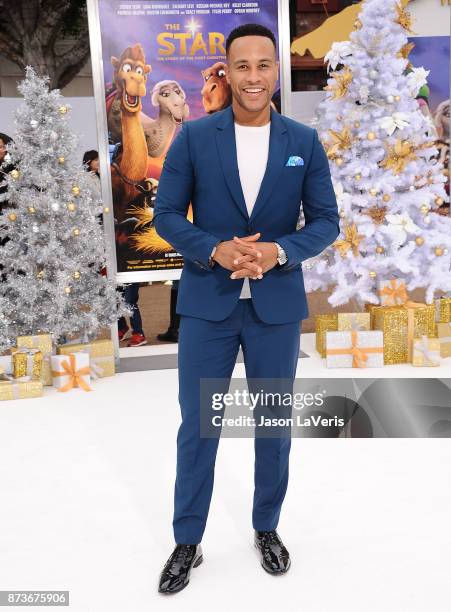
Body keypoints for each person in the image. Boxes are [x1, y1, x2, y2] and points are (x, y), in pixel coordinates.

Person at [153, 23, 339, 594]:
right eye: (242, 66)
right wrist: (214, 248)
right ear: (226, 72)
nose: (253, 77)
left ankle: (266, 527)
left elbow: (327, 221)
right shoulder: (193, 137)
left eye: (264, 65)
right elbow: (167, 216)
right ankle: (188, 539)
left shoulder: (303, 141)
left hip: (275, 307)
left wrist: (278, 250)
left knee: (273, 425)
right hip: (210, 303)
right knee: (199, 427)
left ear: (274, 71)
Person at [117, 283, 147, 347]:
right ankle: (122, 327)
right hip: (115, 274)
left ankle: (139, 333)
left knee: (130, 301)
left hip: (131, 274)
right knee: (115, 299)